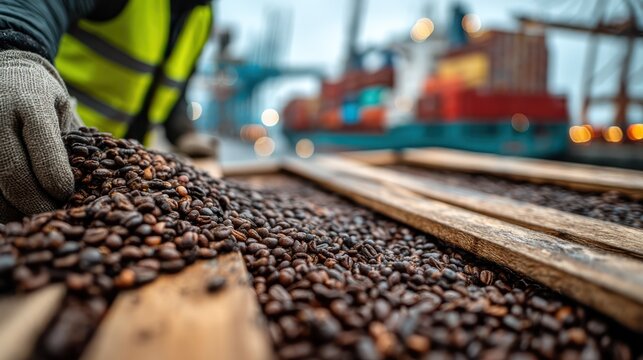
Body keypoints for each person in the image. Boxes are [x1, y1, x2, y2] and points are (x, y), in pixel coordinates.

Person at [0, 0, 217, 222]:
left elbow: (171, 87)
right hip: (58, 145)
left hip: (128, 170)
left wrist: (183, 131)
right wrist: (14, 44)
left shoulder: (202, 16)